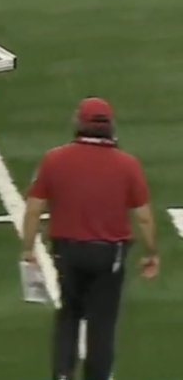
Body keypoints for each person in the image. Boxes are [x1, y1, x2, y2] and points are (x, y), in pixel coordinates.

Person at [21, 97, 159, 380]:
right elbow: (143, 216)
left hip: (67, 252)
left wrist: (28, 248)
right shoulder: (127, 164)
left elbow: (34, 208)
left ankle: (62, 374)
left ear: (79, 123)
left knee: (69, 314)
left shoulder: (54, 159)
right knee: (102, 322)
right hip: (109, 255)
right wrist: (151, 252)